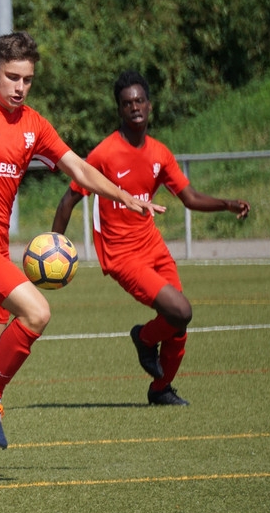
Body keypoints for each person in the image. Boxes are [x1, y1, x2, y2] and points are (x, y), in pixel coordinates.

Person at [0, 31, 163, 477]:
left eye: (28, 80)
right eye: (13, 77)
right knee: (37, 312)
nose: (20, 87)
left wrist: (124, 196)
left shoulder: (34, 125)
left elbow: (78, 167)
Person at [51, 70, 250, 405]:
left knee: (178, 324)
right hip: (122, 256)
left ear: (149, 106)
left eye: (139, 100)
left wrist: (226, 204)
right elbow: (68, 199)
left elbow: (190, 198)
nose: (134, 107)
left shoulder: (159, 153)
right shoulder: (104, 154)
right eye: (127, 103)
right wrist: (54, 244)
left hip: (153, 248)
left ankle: (161, 389)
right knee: (180, 311)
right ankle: (143, 338)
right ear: (120, 109)